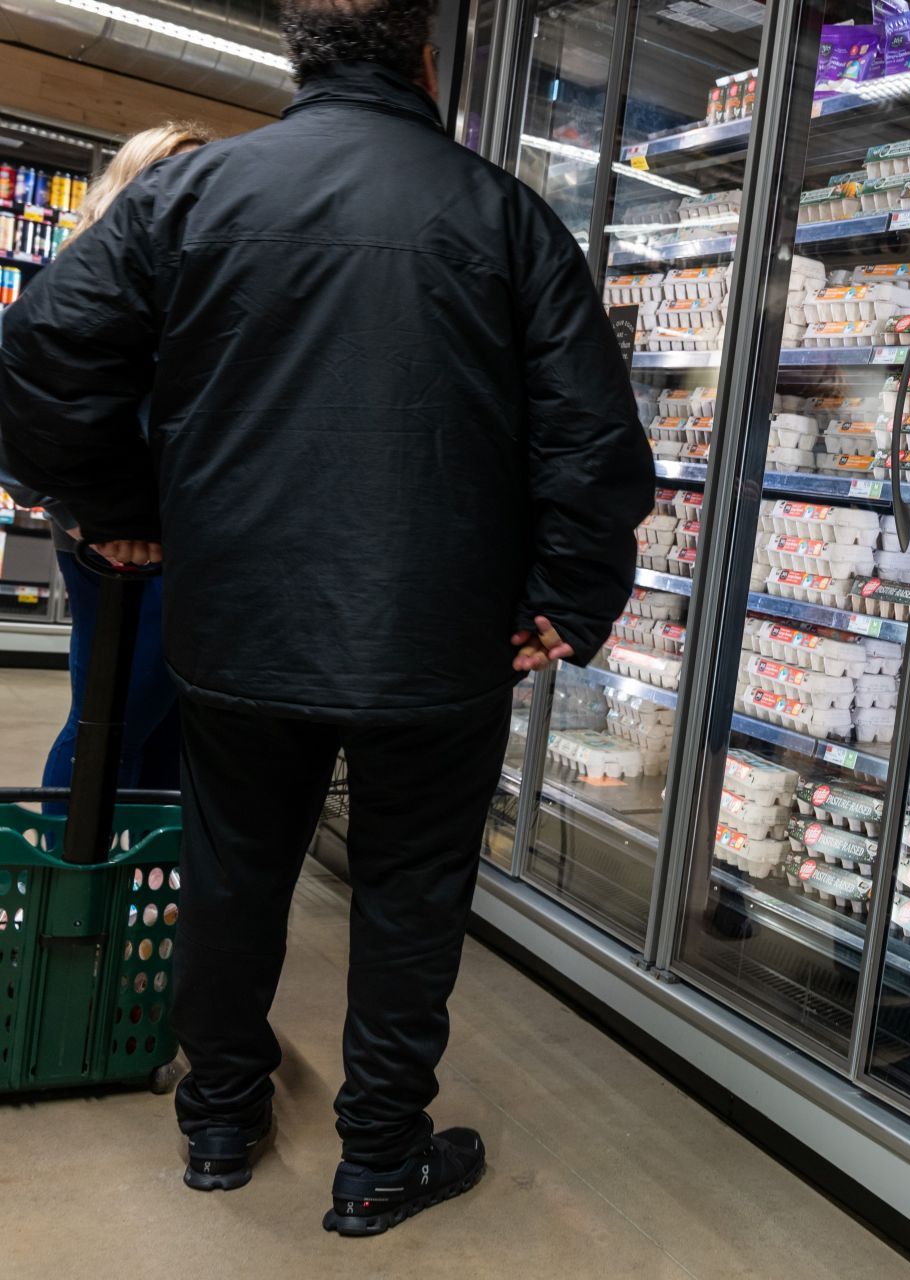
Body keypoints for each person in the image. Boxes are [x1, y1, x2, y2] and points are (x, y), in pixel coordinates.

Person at [0, 0, 654, 1237]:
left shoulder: (190, 199)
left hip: (237, 616)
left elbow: (38, 356)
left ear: (301, 62)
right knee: (411, 894)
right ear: (427, 63)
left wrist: (116, 507)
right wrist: (569, 597)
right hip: (443, 633)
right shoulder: (504, 214)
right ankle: (379, 1157)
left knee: (234, 869)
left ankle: (220, 1122)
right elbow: (591, 433)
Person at [0, 124, 210, 806]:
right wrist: (88, 514)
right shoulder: (101, 277)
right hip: (125, 545)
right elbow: (24, 405)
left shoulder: (184, 279)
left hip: (175, 538)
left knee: (162, 727)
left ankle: (135, 891)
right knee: (110, 725)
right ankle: (75, 888)